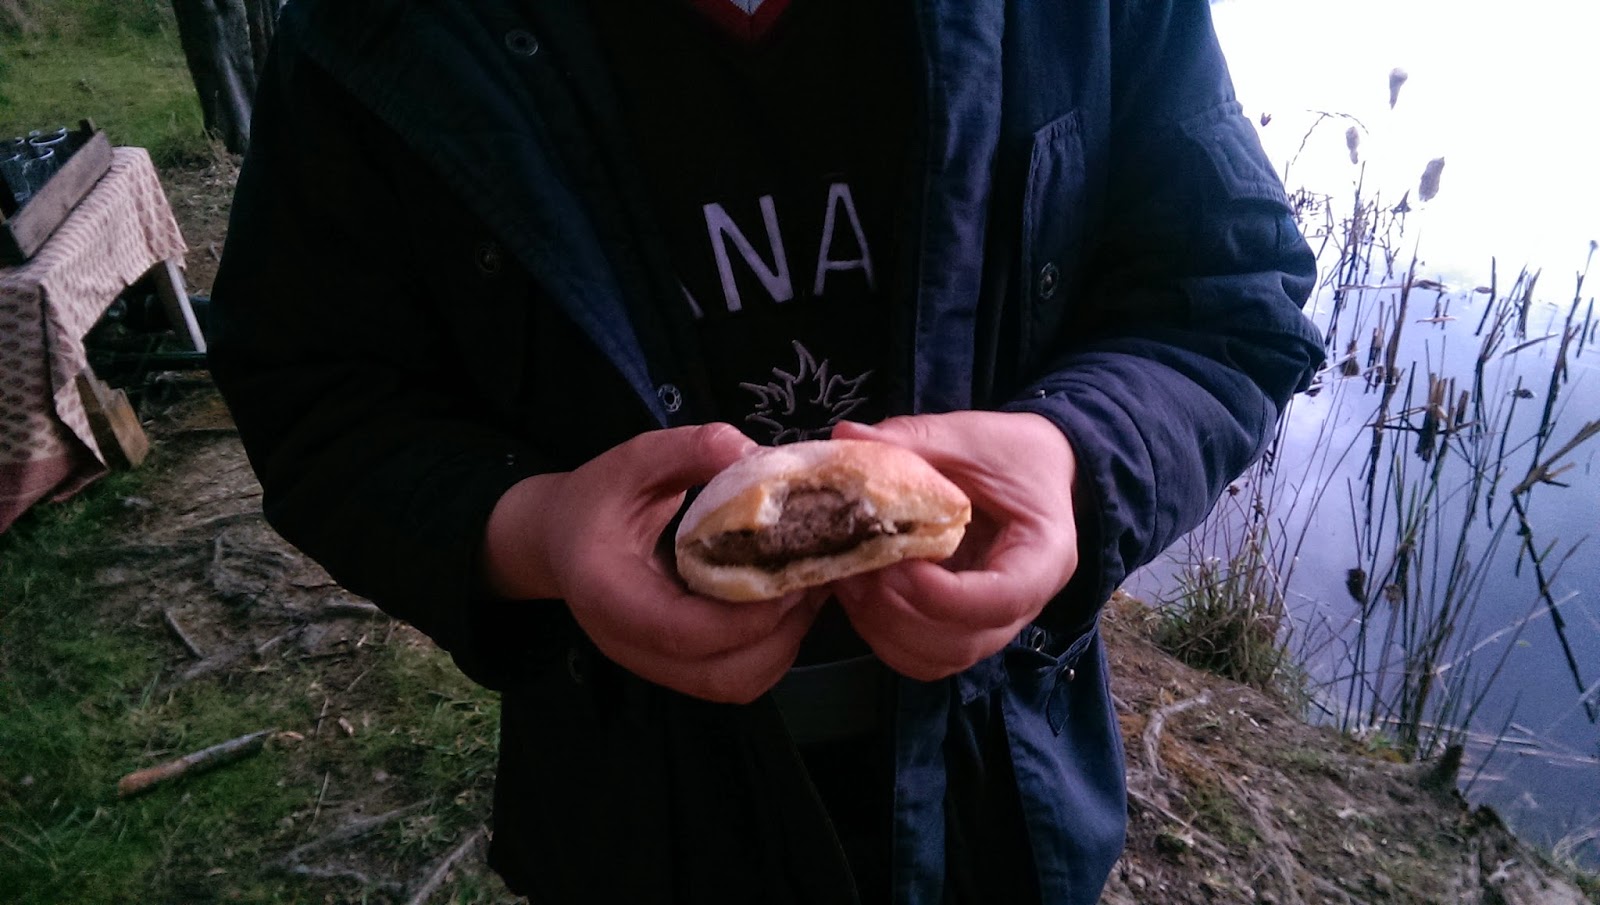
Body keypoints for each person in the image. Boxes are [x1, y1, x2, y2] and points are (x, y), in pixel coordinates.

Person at [209, 0, 1325, 902]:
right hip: (630, 808)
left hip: (1005, 792)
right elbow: (312, 392)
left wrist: (1072, 455)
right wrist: (537, 532)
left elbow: (1227, 297)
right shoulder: (378, 30)